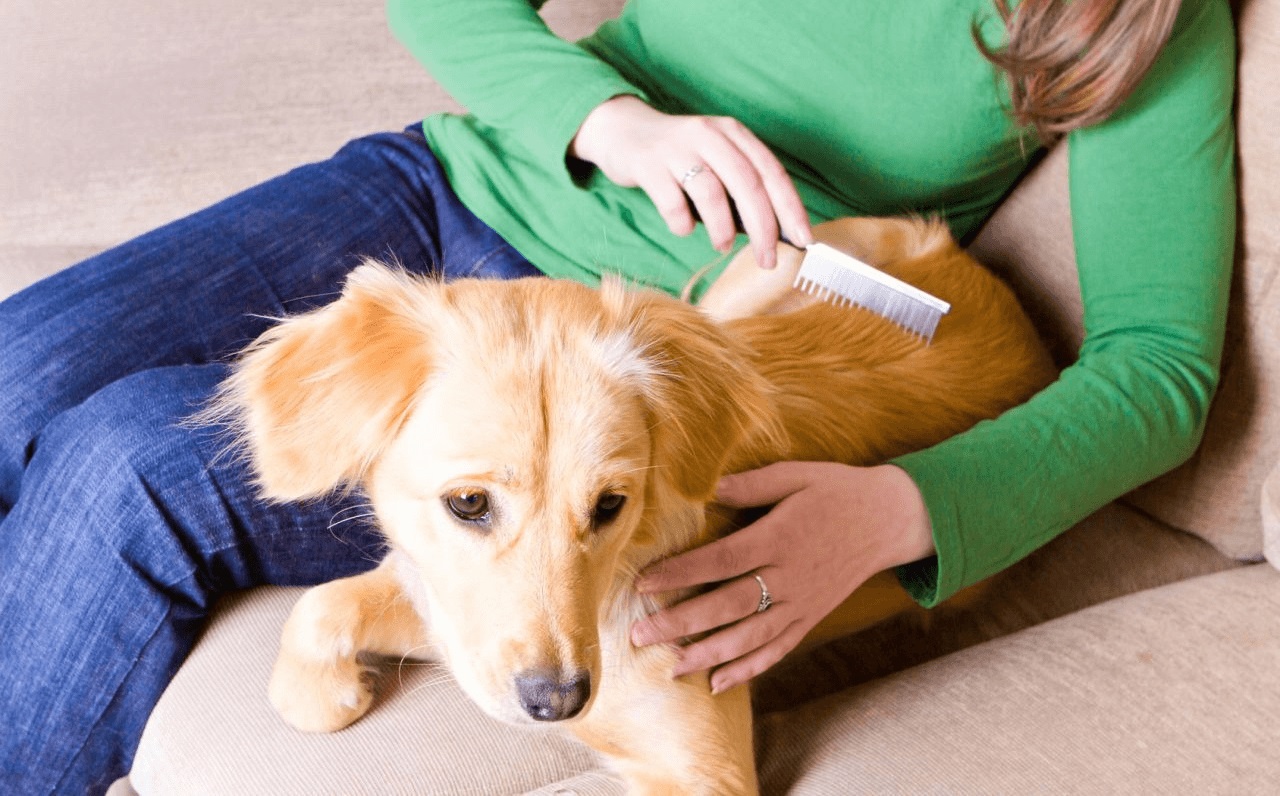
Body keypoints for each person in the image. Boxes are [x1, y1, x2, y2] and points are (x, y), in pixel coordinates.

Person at [0, 0, 1235, 792]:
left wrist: (899, 510)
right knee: (16, 373)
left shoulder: (1138, 22)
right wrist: (610, 119)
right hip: (462, 183)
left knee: (126, 467)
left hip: (641, 354)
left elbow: (1159, 368)